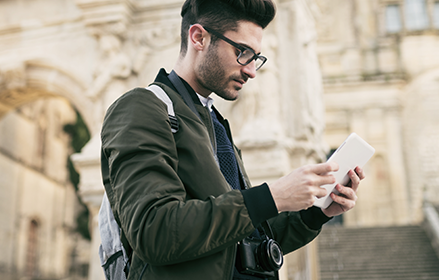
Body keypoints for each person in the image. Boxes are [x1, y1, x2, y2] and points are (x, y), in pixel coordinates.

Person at [99, 0, 365, 279]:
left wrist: (317, 213)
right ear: (198, 38)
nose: (251, 70)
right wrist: (272, 196)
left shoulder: (216, 123)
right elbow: (155, 231)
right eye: (242, 52)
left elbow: (246, 239)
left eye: (256, 58)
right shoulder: (140, 107)